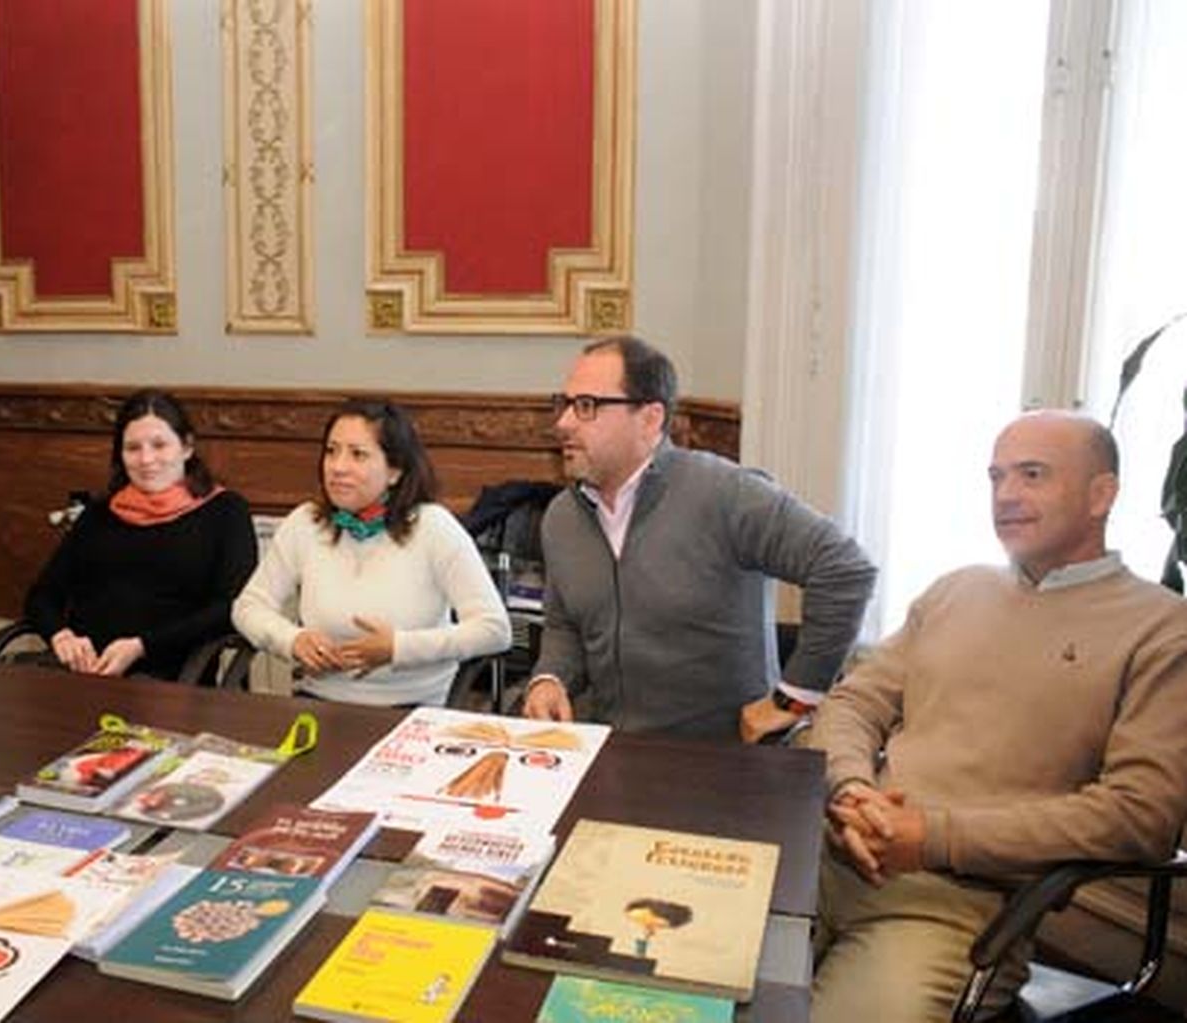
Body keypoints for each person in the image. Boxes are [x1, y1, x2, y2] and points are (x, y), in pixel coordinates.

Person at [808, 411, 1187, 1023]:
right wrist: (852, 788)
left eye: (1032, 474)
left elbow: (1139, 816)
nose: (1006, 495)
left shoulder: (1161, 629)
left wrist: (931, 837)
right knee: (663, 985)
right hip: (826, 857)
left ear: (1102, 494)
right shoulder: (955, 590)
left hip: (949, 904)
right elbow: (854, 702)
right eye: (996, 476)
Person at [522, 335, 875, 741]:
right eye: (563, 404)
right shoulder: (562, 517)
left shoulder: (726, 492)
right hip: (613, 754)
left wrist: (793, 699)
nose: (563, 422)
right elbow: (565, 624)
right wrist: (550, 678)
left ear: (650, 418)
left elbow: (846, 569)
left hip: (727, 765)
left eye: (586, 406)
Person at [232, 399, 510, 706]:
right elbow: (248, 607)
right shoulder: (305, 523)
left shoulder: (434, 527)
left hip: (415, 710)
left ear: (395, 470)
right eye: (331, 451)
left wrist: (398, 648)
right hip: (318, 701)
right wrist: (292, 639)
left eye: (358, 455)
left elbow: (494, 629)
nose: (337, 467)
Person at [24, 390, 257, 679]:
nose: (146, 459)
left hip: (175, 680)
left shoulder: (224, 511)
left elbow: (231, 608)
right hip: (84, 674)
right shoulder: (99, 514)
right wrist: (60, 636)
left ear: (186, 447)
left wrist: (142, 646)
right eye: (133, 448)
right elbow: (41, 596)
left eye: (159, 445)